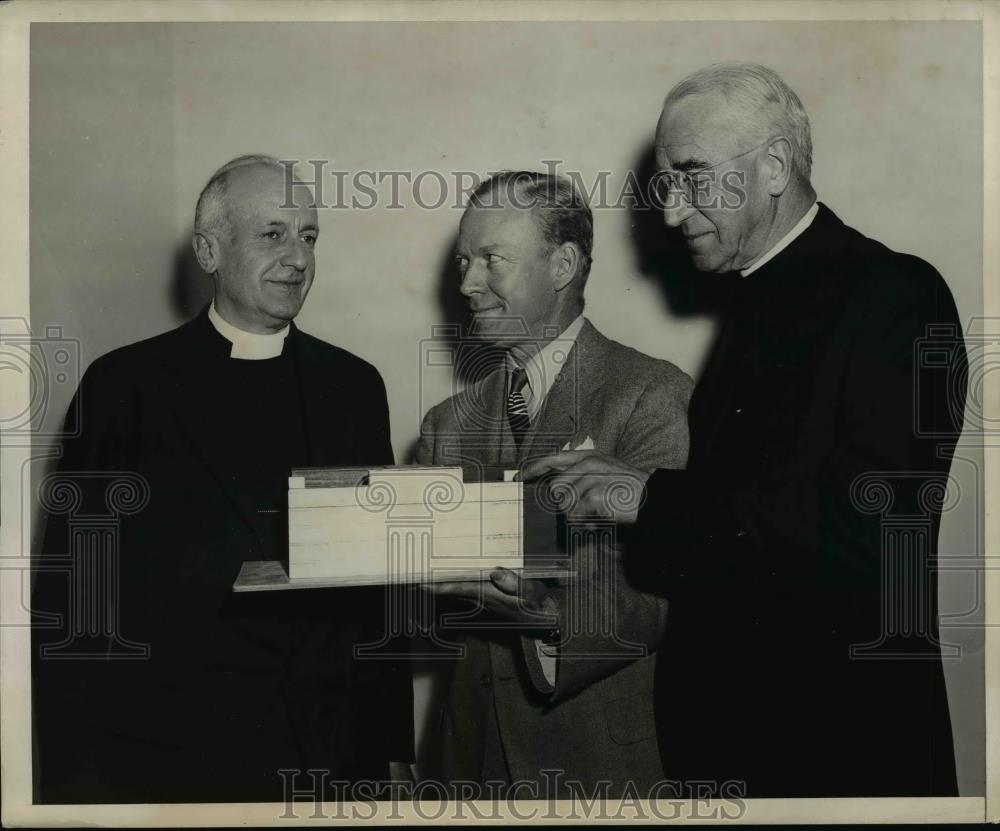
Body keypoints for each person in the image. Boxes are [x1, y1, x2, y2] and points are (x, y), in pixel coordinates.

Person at [523, 63, 966, 797]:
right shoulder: (754, 304)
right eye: (667, 184)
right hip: (743, 759)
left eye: (693, 177)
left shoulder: (896, 294)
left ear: (774, 166)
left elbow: (872, 536)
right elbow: (741, 527)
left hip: (842, 761)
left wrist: (649, 499)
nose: (671, 212)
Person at [32, 155, 413, 803]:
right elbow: (76, 602)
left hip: (328, 758)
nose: (298, 257)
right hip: (170, 758)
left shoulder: (354, 387)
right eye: (273, 234)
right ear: (210, 250)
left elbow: (378, 590)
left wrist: (392, 748)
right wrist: (75, 781)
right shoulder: (125, 388)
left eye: (309, 236)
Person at [415, 171, 692, 797]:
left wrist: (546, 618)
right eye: (464, 260)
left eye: (492, 259)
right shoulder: (445, 427)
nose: (466, 284)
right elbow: (432, 613)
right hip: (471, 768)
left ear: (563, 264)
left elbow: (665, 594)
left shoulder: (653, 397)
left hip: (603, 771)